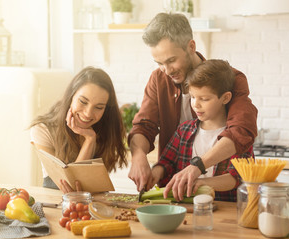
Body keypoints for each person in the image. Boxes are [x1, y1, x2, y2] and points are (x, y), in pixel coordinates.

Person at [127, 12, 258, 201]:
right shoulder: (158, 79)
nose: (166, 70)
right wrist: (138, 156)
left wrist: (197, 168)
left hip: (220, 199)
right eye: (159, 63)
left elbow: (241, 130)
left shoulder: (230, 79)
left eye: (171, 60)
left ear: (191, 46)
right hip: (174, 195)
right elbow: (144, 126)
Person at [151, 60, 254, 202]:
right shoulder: (183, 131)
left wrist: (202, 183)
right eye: (192, 97)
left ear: (225, 98)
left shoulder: (238, 137)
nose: (196, 104)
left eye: (204, 99)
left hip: (225, 209)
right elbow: (166, 162)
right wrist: (155, 173)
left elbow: (235, 178)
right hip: (187, 209)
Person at [30, 66, 127, 193]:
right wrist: (89, 140)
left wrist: (90, 138)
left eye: (99, 107)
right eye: (83, 101)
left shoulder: (106, 128)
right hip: (56, 202)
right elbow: (72, 186)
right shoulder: (43, 129)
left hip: (96, 204)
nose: (88, 114)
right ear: (71, 96)